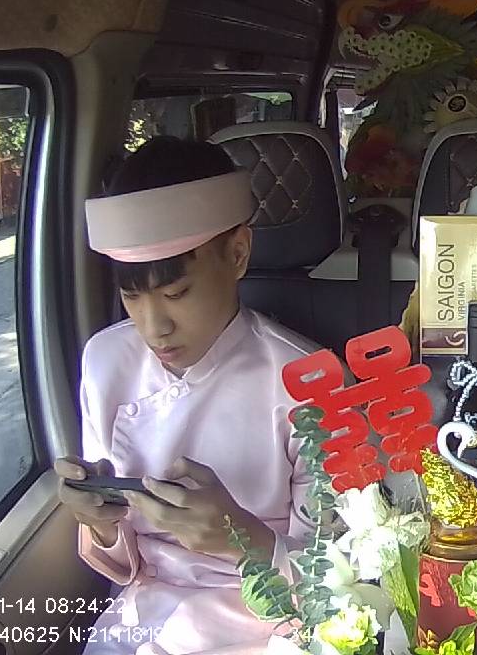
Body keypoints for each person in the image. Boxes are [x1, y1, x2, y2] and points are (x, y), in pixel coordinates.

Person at [54, 138, 318, 654]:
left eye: (177, 293)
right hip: (137, 621)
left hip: (268, 624)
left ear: (237, 254)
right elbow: (121, 567)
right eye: (132, 296)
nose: (154, 327)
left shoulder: (306, 381)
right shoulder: (106, 360)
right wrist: (99, 523)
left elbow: (340, 581)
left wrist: (241, 538)